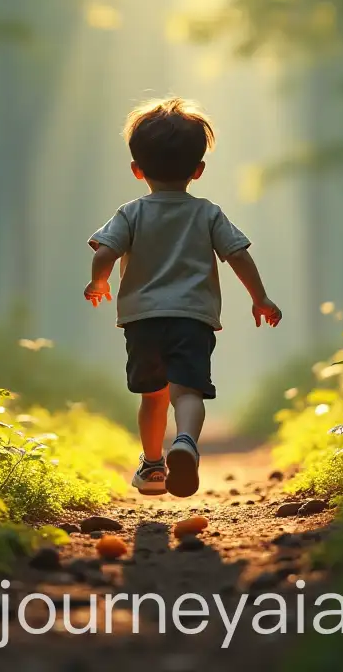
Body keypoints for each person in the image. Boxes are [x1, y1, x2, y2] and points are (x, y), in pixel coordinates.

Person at [84, 97, 282, 499]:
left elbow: (105, 251)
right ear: (198, 170)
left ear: (138, 170)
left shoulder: (130, 213)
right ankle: (186, 443)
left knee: (152, 396)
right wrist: (260, 298)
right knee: (187, 391)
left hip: (142, 319)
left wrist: (99, 283)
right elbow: (238, 255)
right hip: (192, 317)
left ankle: (153, 466)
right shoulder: (208, 213)